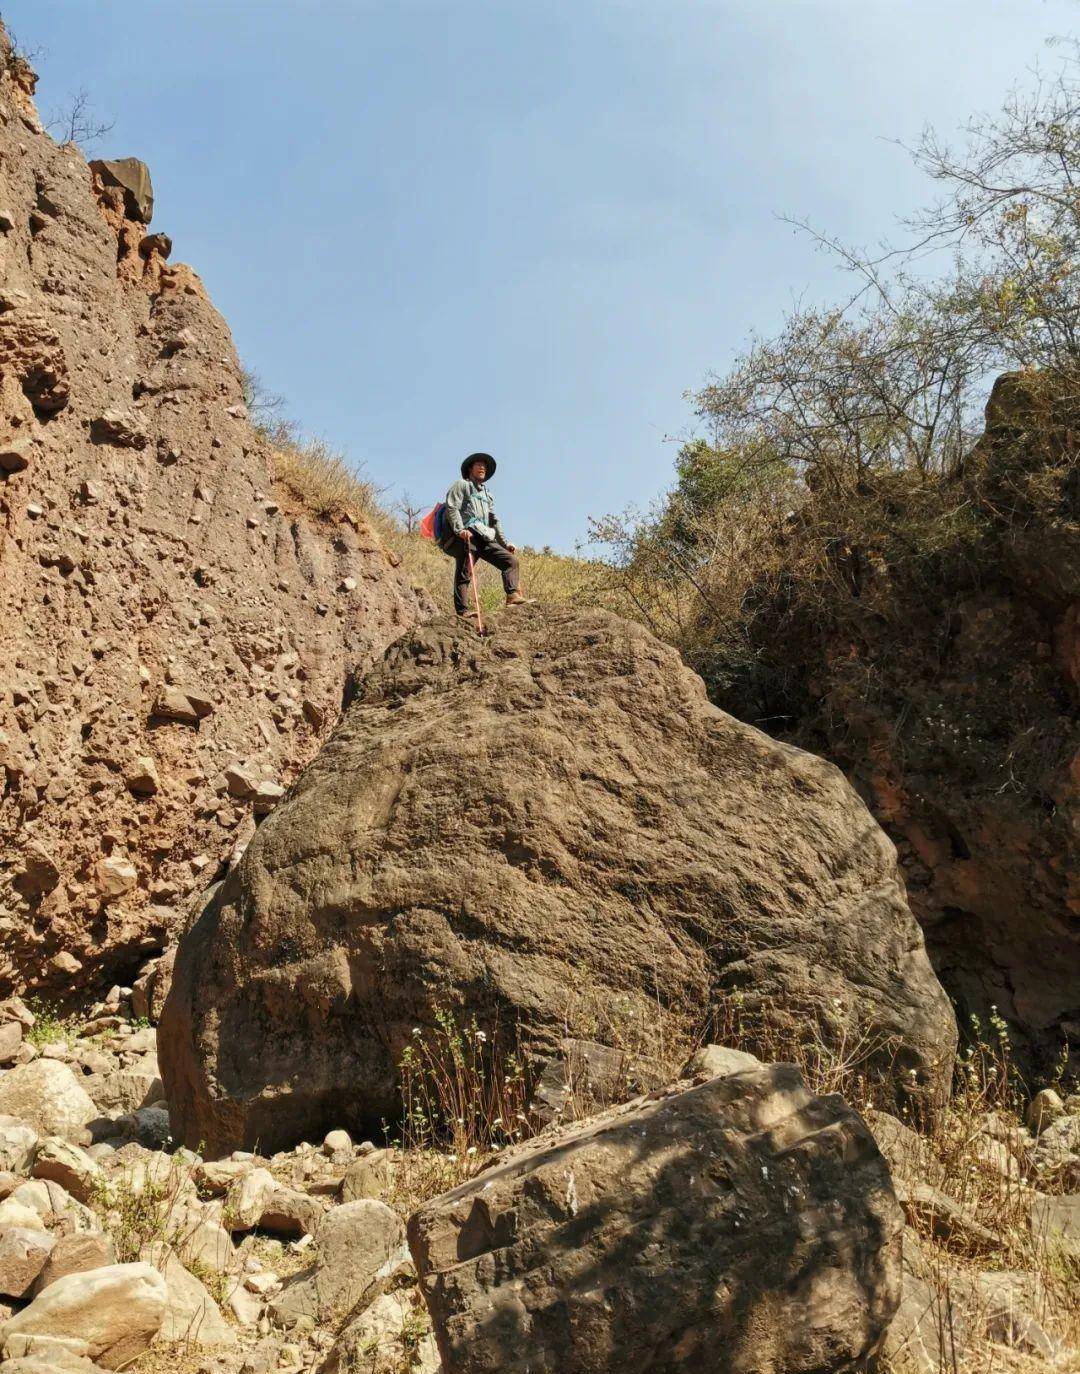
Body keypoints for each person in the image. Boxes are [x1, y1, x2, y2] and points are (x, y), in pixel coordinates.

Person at [442, 452, 526, 617]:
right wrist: (460, 530)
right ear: (470, 469)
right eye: (478, 465)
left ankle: (512, 596)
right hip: (469, 535)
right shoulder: (461, 485)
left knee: (510, 561)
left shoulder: (488, 495)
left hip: (485, 536)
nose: (482, 468)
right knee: (464, 573)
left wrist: (504, 543)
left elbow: (494, 520)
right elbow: (452, 507)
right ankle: (463, 612)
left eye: (484, 466)